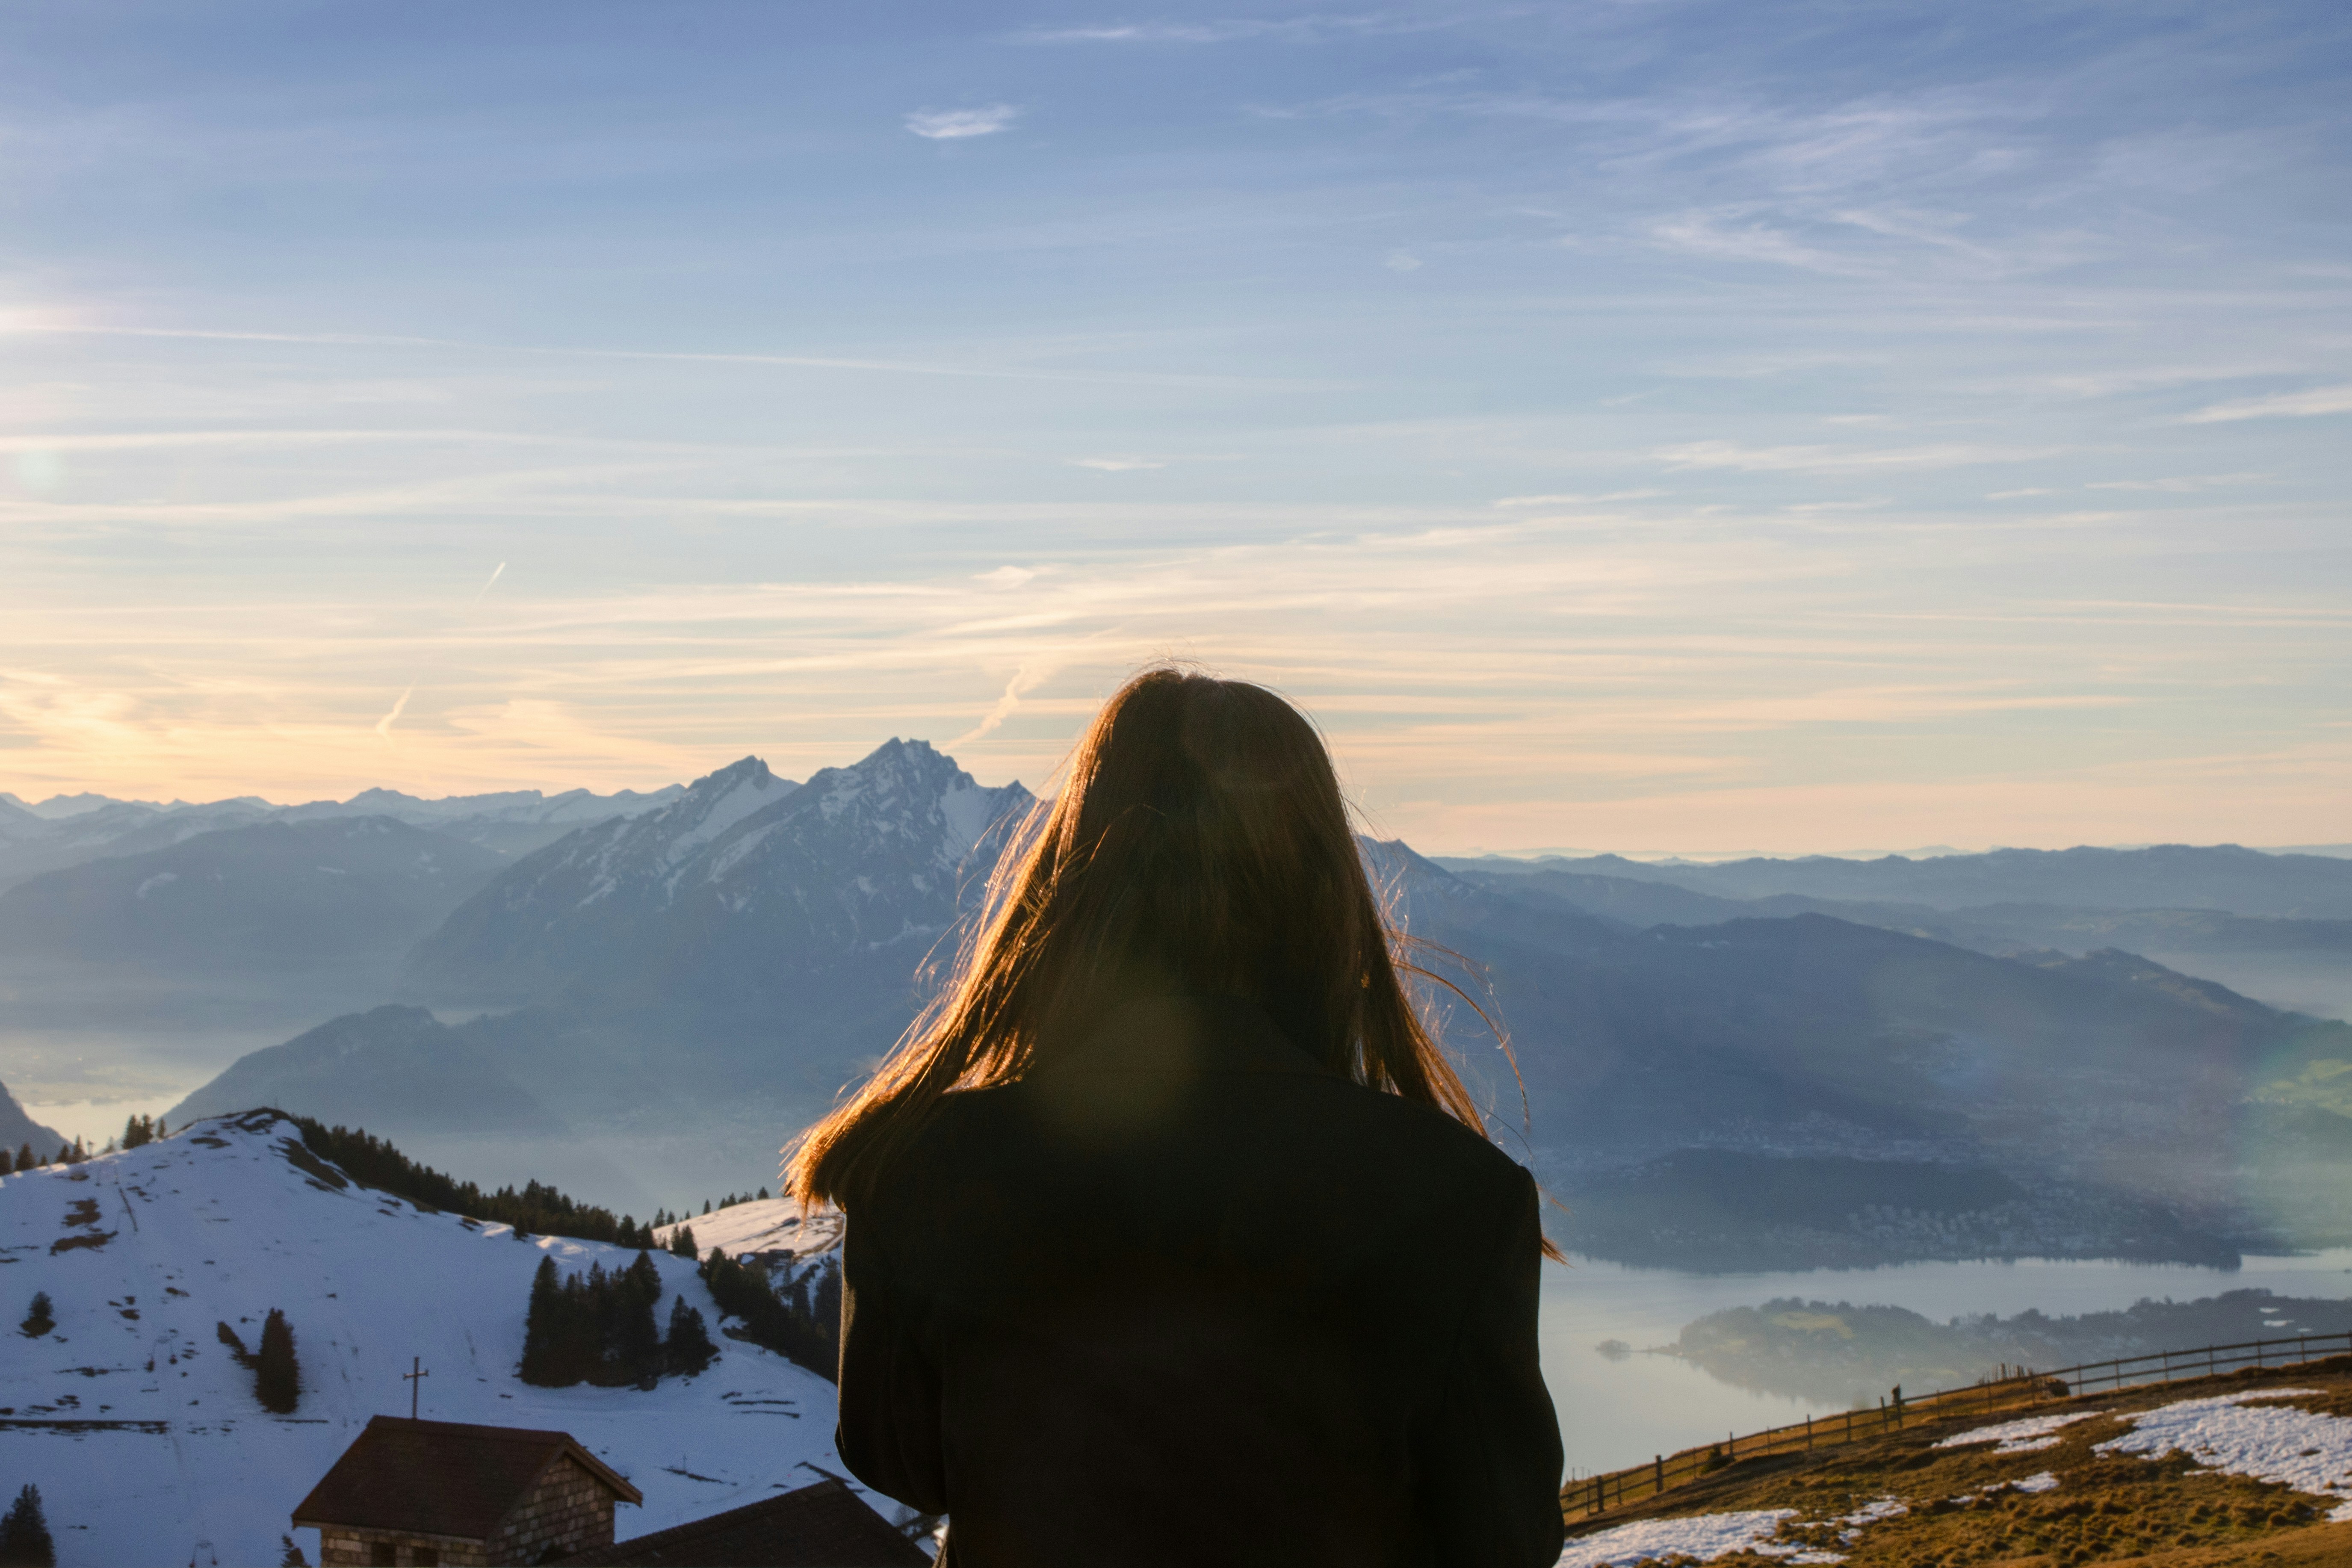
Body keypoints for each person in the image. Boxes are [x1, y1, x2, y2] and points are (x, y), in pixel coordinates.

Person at [786, 666, 1564, 1566]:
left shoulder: (917, 1167)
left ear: (1067, 886)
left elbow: (903, 1459)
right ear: (1322, 889)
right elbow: (1503, 1536)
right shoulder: (1457, 1196)